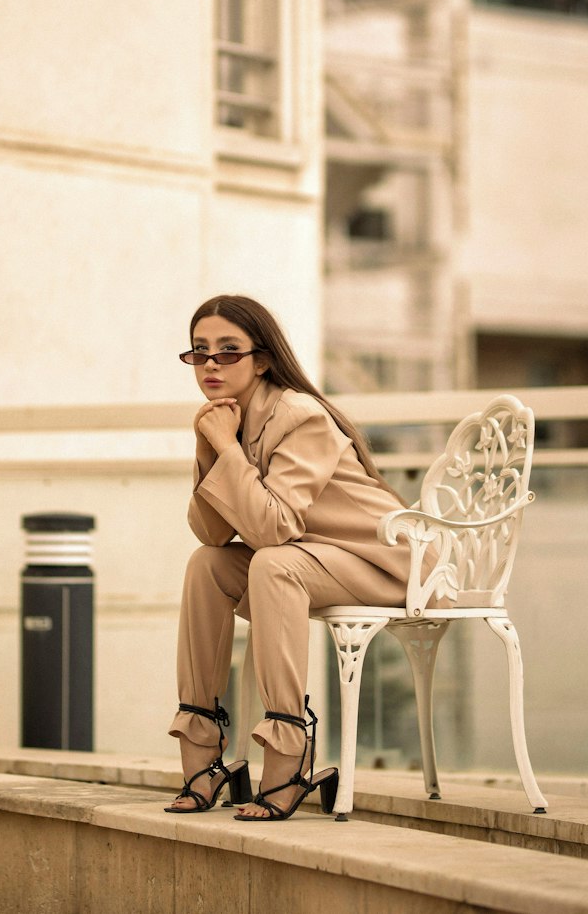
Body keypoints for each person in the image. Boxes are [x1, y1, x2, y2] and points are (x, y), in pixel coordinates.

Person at [165, 294, 412, 821]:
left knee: (272, 563)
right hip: (311, 560)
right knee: (204, 566)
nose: (210, 364)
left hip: (380, 562)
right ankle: (204, 757)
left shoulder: (302, 417)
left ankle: (289, 756)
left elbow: (273, 529)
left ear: (263, 360)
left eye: (228, 351)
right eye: (200, 351)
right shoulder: (223, 420)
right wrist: (213, 446)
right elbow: (212, 534)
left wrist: (225, 450)